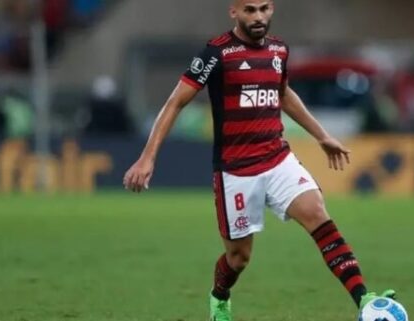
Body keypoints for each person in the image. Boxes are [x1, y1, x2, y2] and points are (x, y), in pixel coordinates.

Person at [123, 1, 395, 320]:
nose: (258, 17)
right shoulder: (216, 53)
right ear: (234, 12)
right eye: (249, 10)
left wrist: (321, 135)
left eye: (264, 8)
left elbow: (282, 93)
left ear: (272, 9)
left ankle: (365, 301)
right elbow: (174, 103)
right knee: (238, 258)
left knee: (317, 213)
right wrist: (147, 158)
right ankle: (220, 296)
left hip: (277, 158)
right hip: (235, 171)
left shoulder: (279, 50)